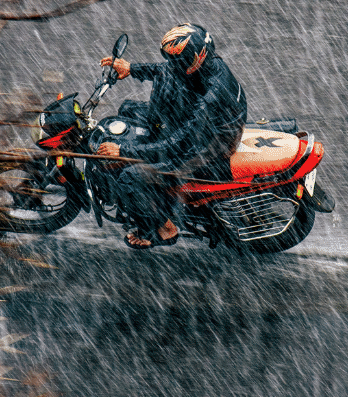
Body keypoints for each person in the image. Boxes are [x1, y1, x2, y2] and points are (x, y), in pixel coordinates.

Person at [95, 23, 247, 249]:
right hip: (205, 128)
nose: (172, 66)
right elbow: (165, 70)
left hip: (208, 146)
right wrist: (132, 69)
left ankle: (166, 228)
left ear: (195, 58)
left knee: (131, 177)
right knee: (128, 110)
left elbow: (180, 142)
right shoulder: (204, 65)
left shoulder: (211, 96)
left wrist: (124, 151)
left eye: (177, 61)